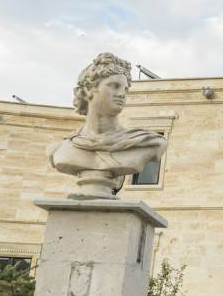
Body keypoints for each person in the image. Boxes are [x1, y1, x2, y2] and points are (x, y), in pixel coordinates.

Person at [48, 53, 168, 198]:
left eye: (125, 89)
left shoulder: (148, 143)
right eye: (114, 86)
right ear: (88, 89)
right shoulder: (60, 150)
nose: (122, 94)